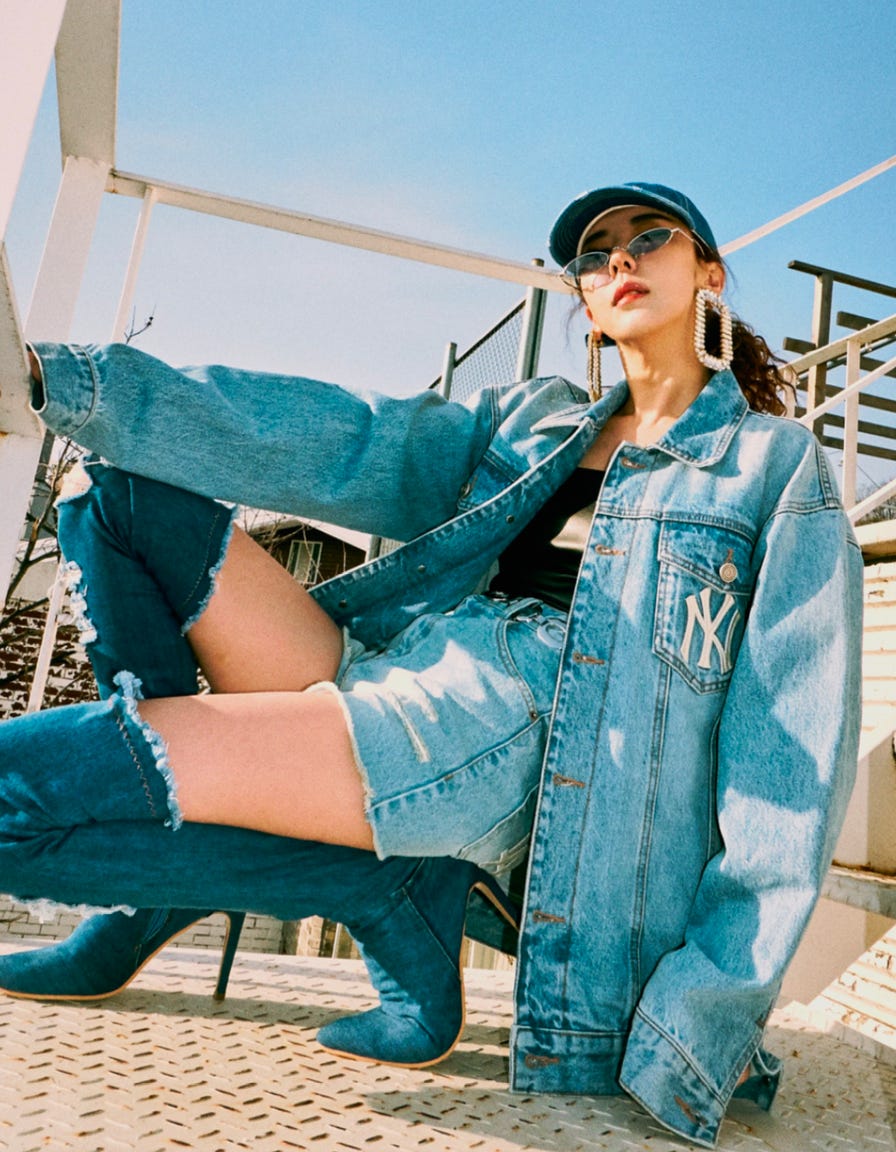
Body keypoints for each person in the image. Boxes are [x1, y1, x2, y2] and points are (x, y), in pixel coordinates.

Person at [0, 182, 862, 1148]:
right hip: (412, 663)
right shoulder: (533, 422)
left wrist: (704, 1014)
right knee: (113, 498)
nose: (618, 259)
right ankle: (173, 891)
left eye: (649, 236)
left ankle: (360, 885)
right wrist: (67, 381)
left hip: (518, 724)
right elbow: (351, 438)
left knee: (13, 796)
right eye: (593, 254)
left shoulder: (772, 468)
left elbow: (790, 770)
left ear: (709, 273)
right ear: (584, 299)